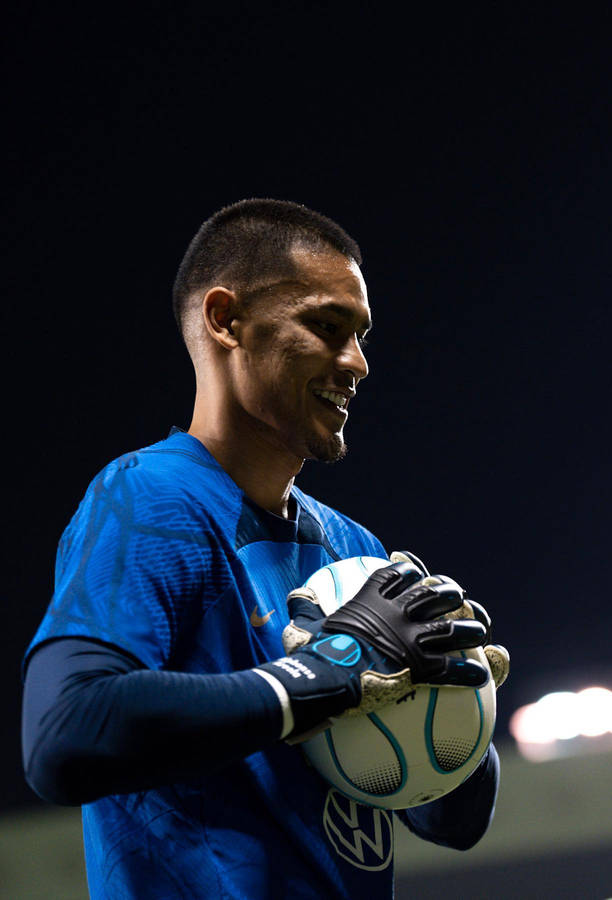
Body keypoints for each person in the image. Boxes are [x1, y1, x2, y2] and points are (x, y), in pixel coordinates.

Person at [22, 199, 508, 899]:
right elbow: (62, 736)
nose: (359, 363)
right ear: (226, 321)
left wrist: (460, 705)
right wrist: (329, 670)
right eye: (326, 326)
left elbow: (452, 820)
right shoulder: (150, 498)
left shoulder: (354, 547)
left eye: (361, 335)